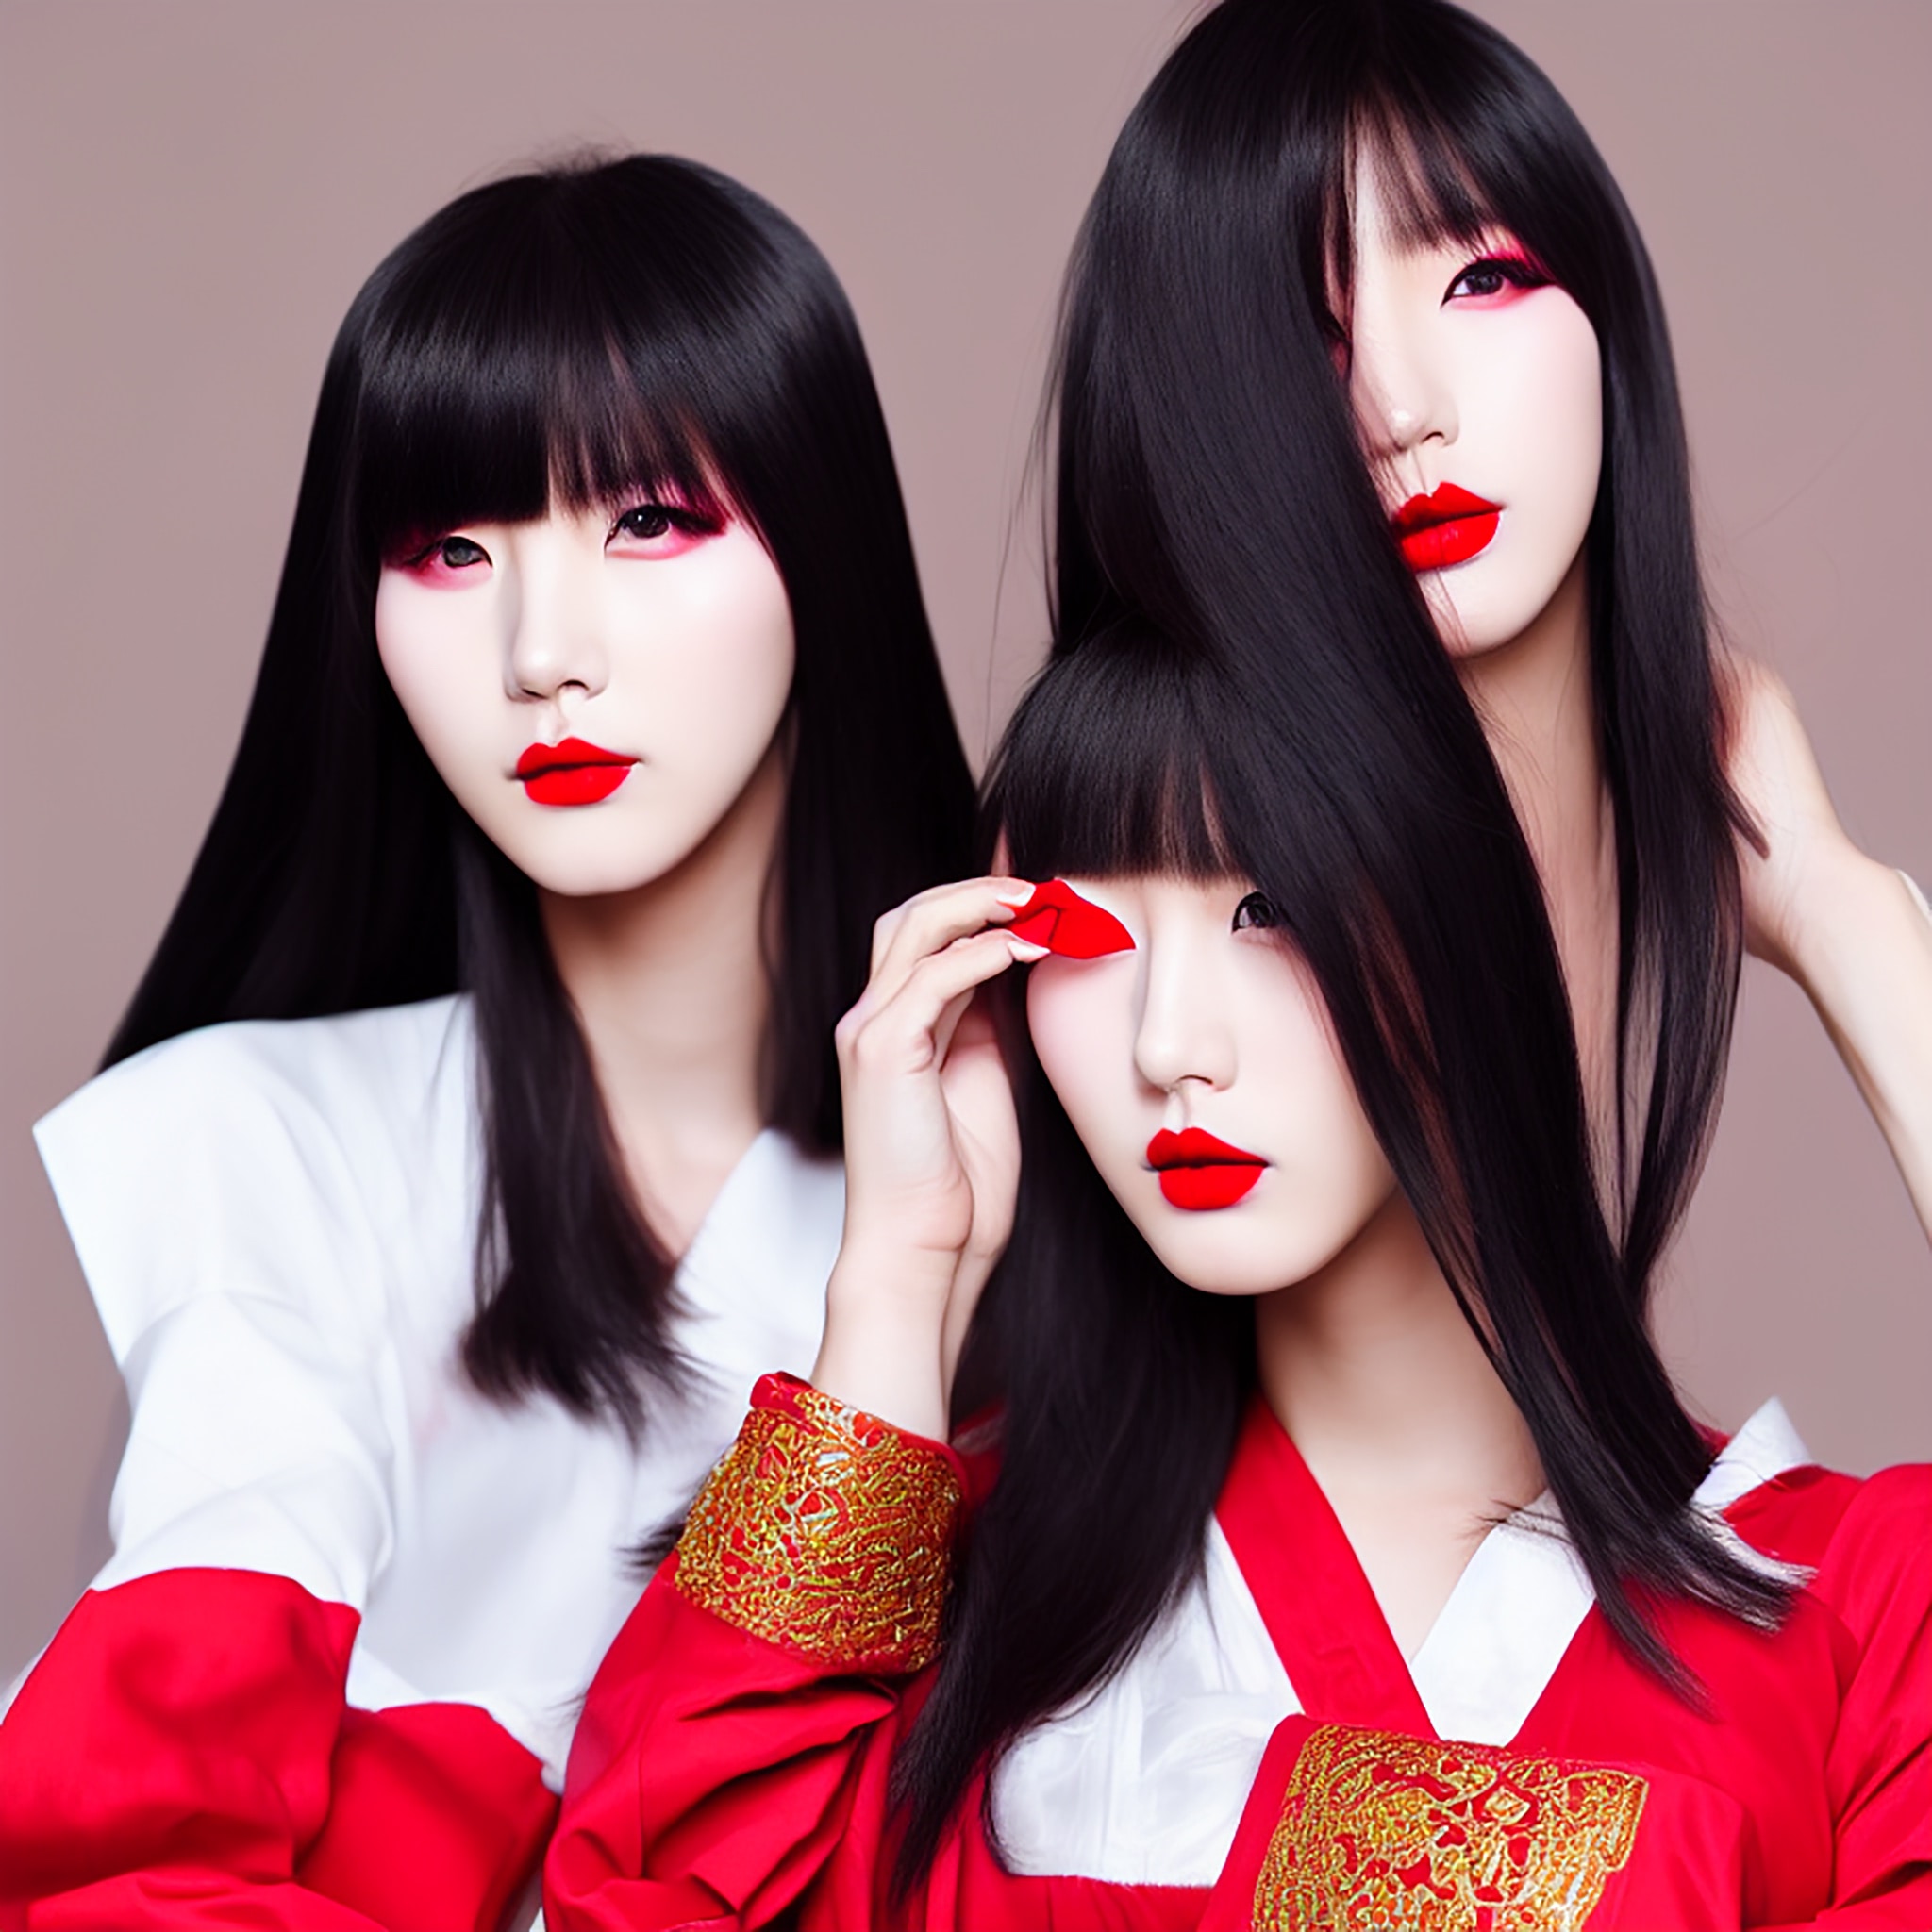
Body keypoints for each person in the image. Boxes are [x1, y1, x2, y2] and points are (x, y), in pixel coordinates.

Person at [542, 4, 1929, 1924]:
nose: (1410, 402)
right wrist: (892, 1292)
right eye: (1100, 938)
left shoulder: (1845, 1607)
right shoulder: (964, 1609)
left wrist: (1862, 937)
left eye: (1489, 271)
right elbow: (660, 1891)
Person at [0, 154, 973, 1930]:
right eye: (451, 549)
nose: (543, 651)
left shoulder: (1058, 1145)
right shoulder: (270, 1151)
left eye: (650, 523)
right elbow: (125, 1853)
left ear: (821, 544)